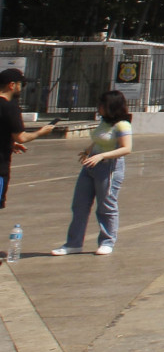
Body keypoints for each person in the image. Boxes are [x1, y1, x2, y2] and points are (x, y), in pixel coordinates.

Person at [52, 93, 134, 256]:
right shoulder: (104, 122)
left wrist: (102, 155)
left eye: (102, 105)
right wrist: (88, 150)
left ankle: (107, 241)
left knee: (106, 205)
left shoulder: (122, 125)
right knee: (79, 205)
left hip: (108, 168)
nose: (99, 108)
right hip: (90, 166)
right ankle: (73, 243)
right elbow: (100, 139)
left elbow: (127, 148)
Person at [0, 68, 56, 212]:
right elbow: (22, 137)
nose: (22, 89)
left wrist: (9, 143)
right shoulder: (10, 107)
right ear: (12, 85)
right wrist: (41, 132)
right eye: (21, 85)